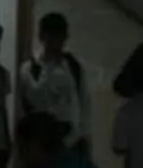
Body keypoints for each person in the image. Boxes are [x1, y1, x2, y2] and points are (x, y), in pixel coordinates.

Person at [14, 13, 88, 153]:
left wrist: (83, 137)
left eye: (60, 37)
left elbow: (84, 103)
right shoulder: (28, 70)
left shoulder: (73, 67)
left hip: (69, 139)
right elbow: (22, 107)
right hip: (38, 140)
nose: (56, 42)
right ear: (42, 36)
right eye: (52, 36)